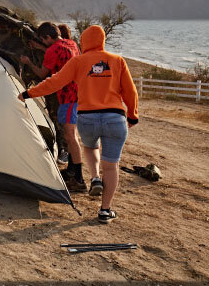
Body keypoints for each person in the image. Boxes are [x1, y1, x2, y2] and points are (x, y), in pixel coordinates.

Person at [18, 25, 139, 223]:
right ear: (102, 41)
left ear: (84, 42)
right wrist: (132, 115)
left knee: (91, 148)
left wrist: (28, 93)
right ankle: (105, 210)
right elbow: (130, 91)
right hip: (115, 117)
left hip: (88, 117)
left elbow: (54, 81)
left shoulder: (79, 61)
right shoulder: (117, 61)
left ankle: (94, 178)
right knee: (111, 165)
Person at [20, 22, 84, 192]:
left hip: (67, 97)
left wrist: (28, 62)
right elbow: (60, 56)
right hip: (78, 94)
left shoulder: (52, 51)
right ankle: (71, 171)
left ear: (47, 37)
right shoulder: (71, 44)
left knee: (70, 136)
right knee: (72, 135)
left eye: (43, 39)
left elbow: (42, 73)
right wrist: (42, 47)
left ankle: (78, 179)